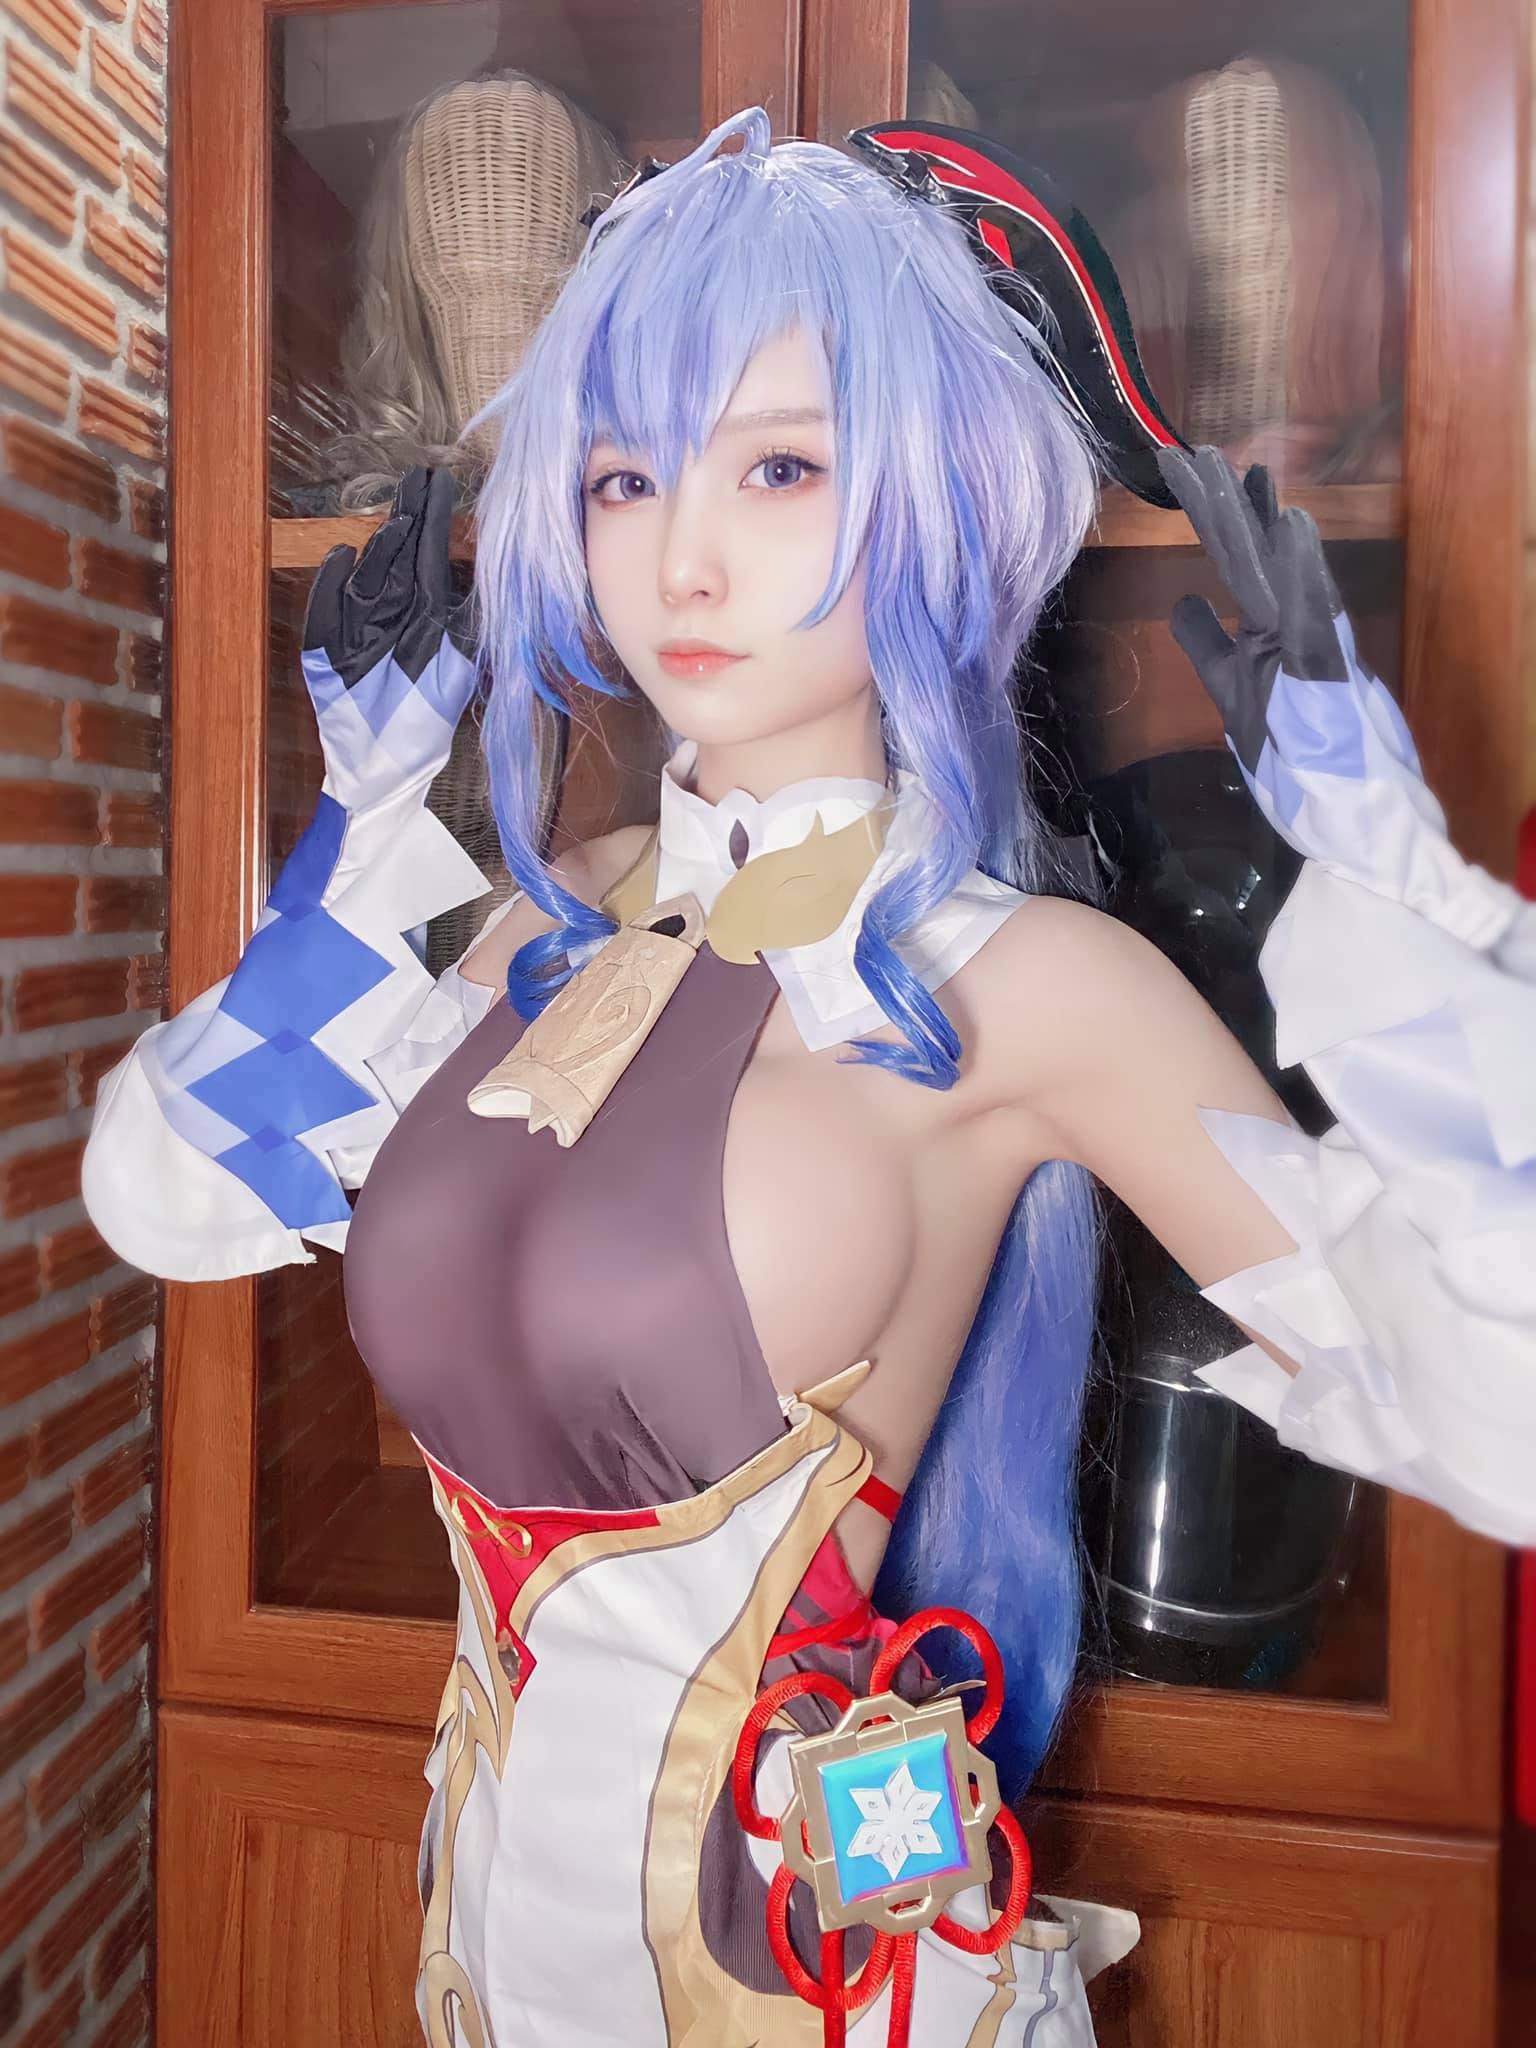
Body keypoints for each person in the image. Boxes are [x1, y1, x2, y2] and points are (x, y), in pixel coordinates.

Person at [82, 109, 1535, 2047]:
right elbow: (171, 1192)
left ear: (943, 496)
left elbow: (1501, 1410)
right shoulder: (546, 924)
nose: (681, 556)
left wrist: (1401, 889)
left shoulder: (1031, 987)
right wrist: (361, 826)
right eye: (623, 474)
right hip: (483, 1954)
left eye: (781, 466)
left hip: (816, 1978)